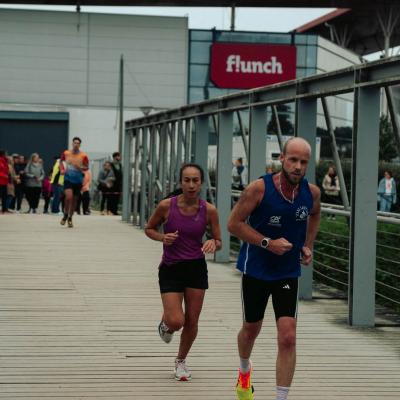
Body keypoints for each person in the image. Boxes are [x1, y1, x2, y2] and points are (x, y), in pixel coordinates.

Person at [227, 137, 321, 400]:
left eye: (303, 162)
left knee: (288, 336)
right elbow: (233, 224)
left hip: (287, 271)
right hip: (256, 269)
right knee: (251, 330)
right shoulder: (258, 189)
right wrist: (267, 243)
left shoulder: (312, 193)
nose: (298, 166)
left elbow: (315, 214)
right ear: (282, 158)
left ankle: (281, 397)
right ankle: (244, 370)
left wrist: (307, 244)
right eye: (293, 160)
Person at [144, 163, 222, 381]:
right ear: (180, 182)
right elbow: (149, 228)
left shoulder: (209, 210)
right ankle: (167, 323)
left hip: (196, 268)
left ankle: (181, 361)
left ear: (201, 183)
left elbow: (219, 240)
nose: (191, 185)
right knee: (177, 321)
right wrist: (163, 237)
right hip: (171, 267)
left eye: (195, 180)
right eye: (187, 180)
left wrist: (213, 244)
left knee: (192, 321)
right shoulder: (166, 206)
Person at [59, 137, 89, 227]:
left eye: (78, 143)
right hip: (68, 178)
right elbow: (61, 162)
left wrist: (80, 168)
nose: (76, 144)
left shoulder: (83, 155)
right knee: (69, 197)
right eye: (75, 143)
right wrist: (62, 169)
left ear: (80, 145)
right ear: (72, 144)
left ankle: (70, 218)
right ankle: (65, 214)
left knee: (74, 201)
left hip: (78, 180)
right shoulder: (66, 153)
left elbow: (86, 167)